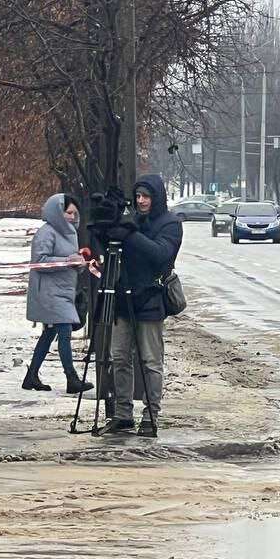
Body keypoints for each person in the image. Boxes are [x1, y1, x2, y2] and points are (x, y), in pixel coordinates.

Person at [98, 174, 182, 438]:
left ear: (156, 197)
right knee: (120, 357)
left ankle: (150, 415)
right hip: (123, 298)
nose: (141, 201)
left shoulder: (170, 224)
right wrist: (105, 228)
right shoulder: (130, 219)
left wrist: (130, 233)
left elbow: (160, 254)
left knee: (150, 361)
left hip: (150, 299)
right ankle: (123, 414)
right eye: (138, 196)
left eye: (146, 196)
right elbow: (114, 246)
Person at [23, 194, 92, 395]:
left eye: (74, 213)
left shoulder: (70, 233)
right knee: (64, 330)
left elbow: (70, 263)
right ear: (57, 212)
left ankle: (32, 375)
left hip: (63, 291)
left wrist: (79, 264)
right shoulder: (47, 232)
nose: (71, 217)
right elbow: (40, 261)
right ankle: (72, 378)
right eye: (67, 212)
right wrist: (67, 261)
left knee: (49, 333)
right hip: (49, 292)